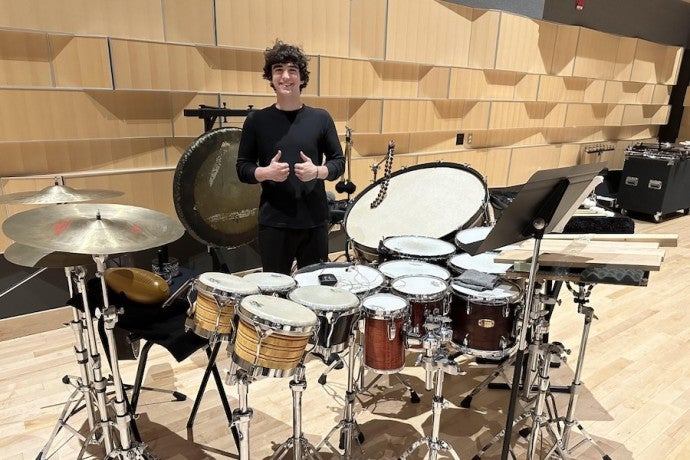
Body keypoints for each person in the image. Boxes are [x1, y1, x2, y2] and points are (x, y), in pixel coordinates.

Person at [236, 40, 345, 275]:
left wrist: (317, 171)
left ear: (302, 78)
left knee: (314, 293)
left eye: (292, 70)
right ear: (271, 78)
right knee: (277, 297)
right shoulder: (256, 120)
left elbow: (338, 162)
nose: (286, 76)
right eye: (278, 70)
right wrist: (265, 172)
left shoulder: (320, 118)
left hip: (314, 222)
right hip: (274, 223)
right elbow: (242, 167)